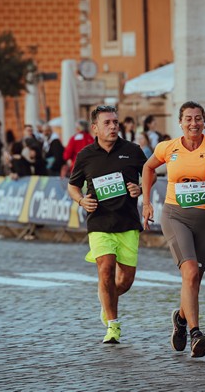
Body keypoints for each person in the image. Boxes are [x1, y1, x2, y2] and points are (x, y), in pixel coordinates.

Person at [141, 101, 205, 358]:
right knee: (190, 270)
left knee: (194, 279)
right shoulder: (168, 147)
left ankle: (181, 319)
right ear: (180, 122)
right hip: (176, 216)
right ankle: (196, 333)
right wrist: (147, 202)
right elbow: (148, 167)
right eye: (188, 118)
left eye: (197, 118)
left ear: (203, 120)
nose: (193, 123)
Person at [67, 105, 149, 344]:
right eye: (107, 123)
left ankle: (106, 299)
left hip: (127, 222)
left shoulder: (132, 150)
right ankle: (113, 326)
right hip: (99, 221)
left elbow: (149, 173)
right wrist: (81, 200)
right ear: (95, 127)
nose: (113, 126)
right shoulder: (85, 155)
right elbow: (72, 185)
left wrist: (141, 187)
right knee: (105, 270)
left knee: (124, 281)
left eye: (115, 122)